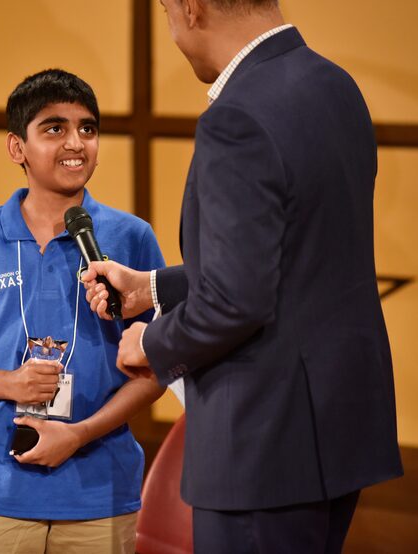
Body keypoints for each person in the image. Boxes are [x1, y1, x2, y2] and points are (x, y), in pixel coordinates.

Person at [82, 0, 403, 552]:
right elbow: (298, 262)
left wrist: (150, 343)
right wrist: (151, 287)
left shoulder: (237, 116)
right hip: (337, 432)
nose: (172, 31)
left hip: (264, 444)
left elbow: (236, 301)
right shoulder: (335, 85)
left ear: (191, 8)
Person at [0, 69, 166, 553]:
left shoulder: (132, 238)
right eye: (54, 128)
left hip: (99, 491)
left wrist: (80, 434)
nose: (76, 142)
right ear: (17, 148)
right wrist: (10, 384)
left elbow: (157, 366)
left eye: (87, 128)